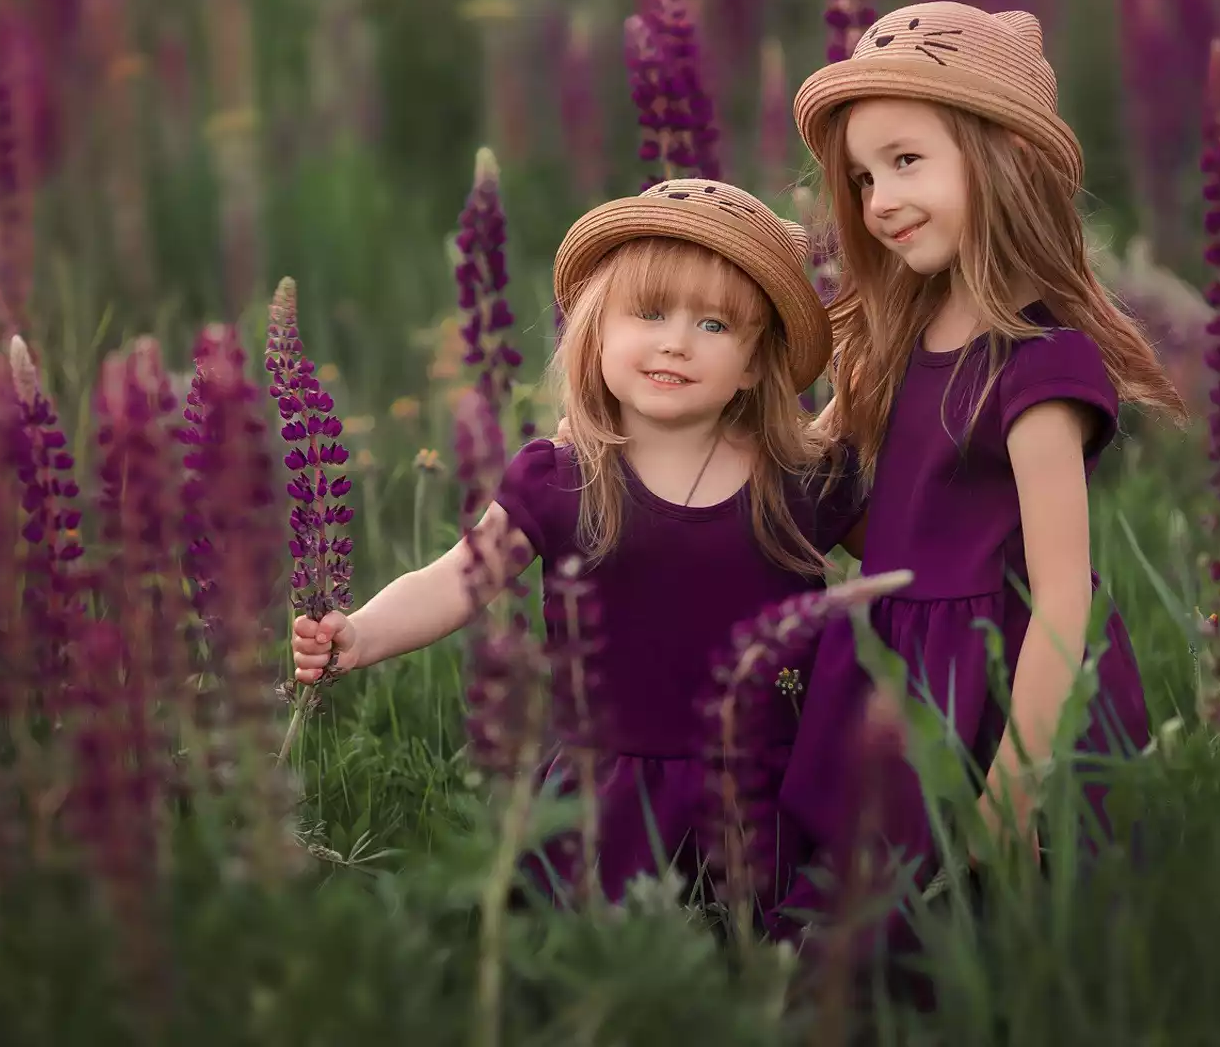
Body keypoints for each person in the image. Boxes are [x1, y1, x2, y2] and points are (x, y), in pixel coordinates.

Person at [292, 178, 866, 913]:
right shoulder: (563, 479)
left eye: (715, 326)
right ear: (594, 338)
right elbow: (458, 578)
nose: (675, 341)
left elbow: (915, 559)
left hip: (764, 792)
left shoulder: (801, 482)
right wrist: (362, 632)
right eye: (650, 313)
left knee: (755, 965)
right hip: (610, 800)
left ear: (757, 364)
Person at [773, 2, 1190, 954]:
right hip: (890, 672)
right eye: (866, 177)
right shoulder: (895, 341)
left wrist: (1014, 781)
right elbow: (890, 524)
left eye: (907, 162)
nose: (879, 199)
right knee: (877, 941)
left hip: (1001, 687)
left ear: (1002, 162)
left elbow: (1060, 600)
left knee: (1003, 944)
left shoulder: (1042, 364)